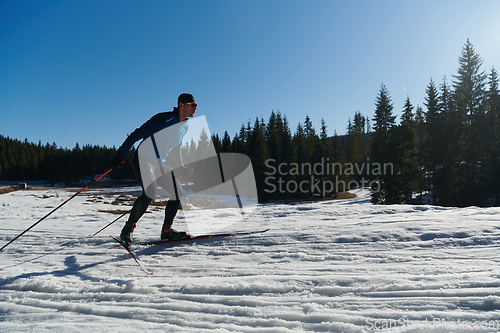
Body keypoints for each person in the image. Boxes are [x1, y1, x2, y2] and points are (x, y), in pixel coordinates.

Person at [110, 93, 197, 245]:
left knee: (178, 193)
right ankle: (128, 229)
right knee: (150, 192)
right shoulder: (163, 119)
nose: (195, 108)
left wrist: (181, 166)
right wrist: (121, 153)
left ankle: (166, 231)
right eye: (192, 105)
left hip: (160, 164)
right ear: (181, 105)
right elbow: (137, 133)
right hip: (143, 160)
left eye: (196, 105)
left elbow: (176, 148)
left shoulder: (185, 126)